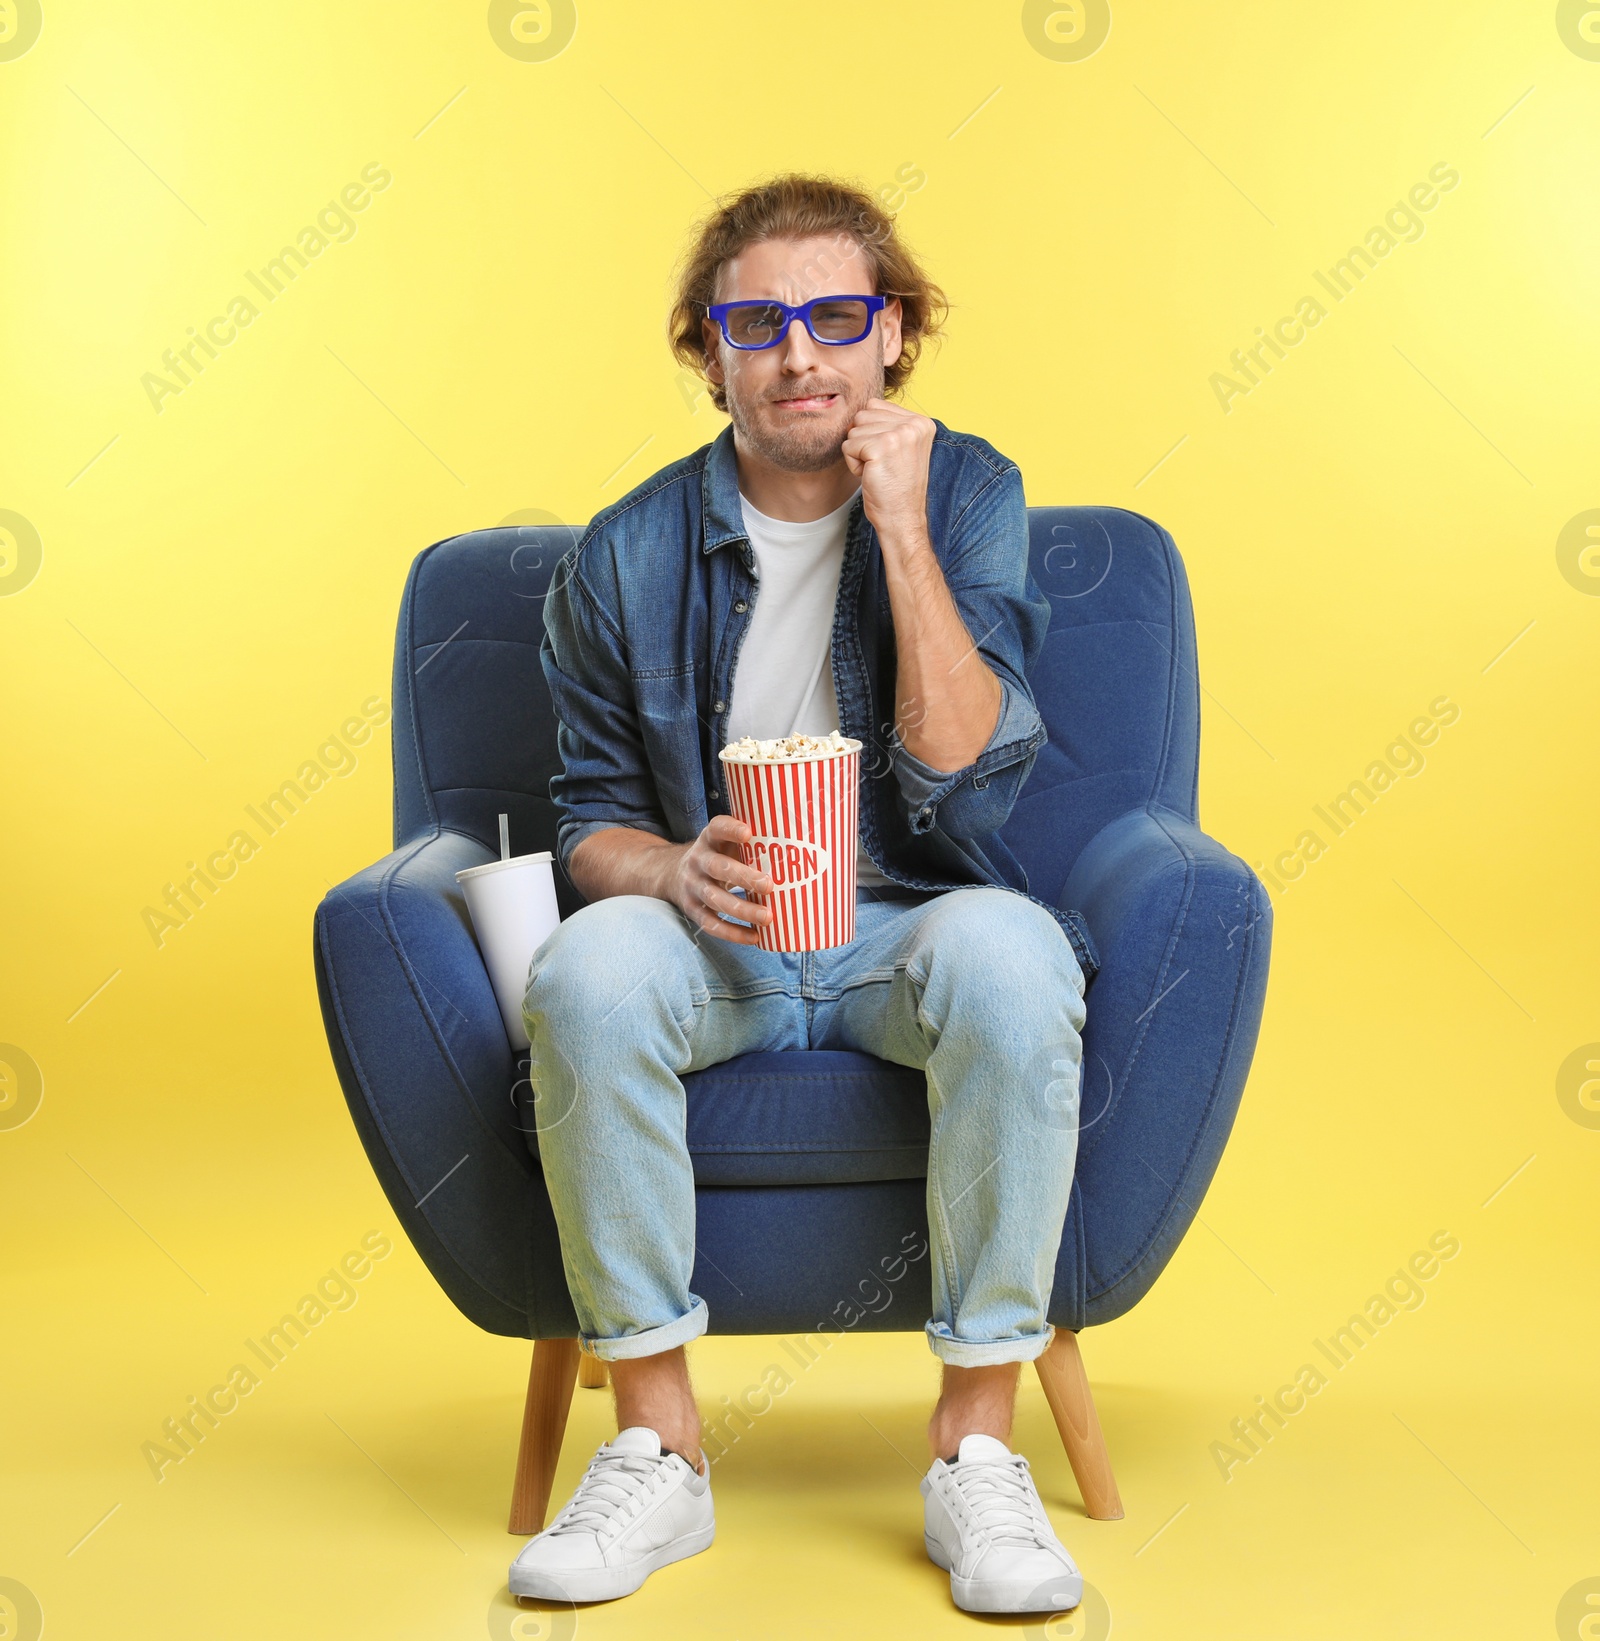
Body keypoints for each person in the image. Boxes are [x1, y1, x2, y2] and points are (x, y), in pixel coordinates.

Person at [509, 172, 1098, 1617]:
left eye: (837, 316)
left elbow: (970, 780)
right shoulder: (625, 549)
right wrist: (668, 866)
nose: (797, 354)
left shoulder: (969, 494)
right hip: (719, 936)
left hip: (908, 915)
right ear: (707, 350)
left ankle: (975, 1451)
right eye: (755, 322)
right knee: (584, 975)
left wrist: (897, 525)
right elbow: (587, 817)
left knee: (1022, 962)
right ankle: (657, 1444)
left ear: (894, 334)